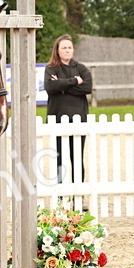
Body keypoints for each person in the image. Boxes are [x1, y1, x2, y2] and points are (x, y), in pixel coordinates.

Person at [44, 35, 93, 184]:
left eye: (69, 47)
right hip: (57, 117)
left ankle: (78, 193)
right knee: (58, 158)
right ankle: (59, 194)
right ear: (57, 50)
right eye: (64, 48)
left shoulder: (81, 68)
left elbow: (87, 87)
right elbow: (50, 87)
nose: (67, 50)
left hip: (79, 117)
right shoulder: (51, 68)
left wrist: (62, 86)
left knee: (77, 157)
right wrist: (74, 81)